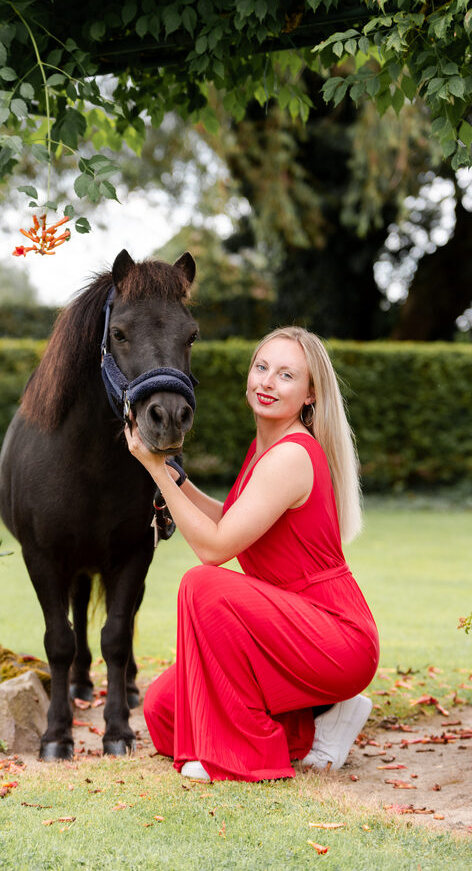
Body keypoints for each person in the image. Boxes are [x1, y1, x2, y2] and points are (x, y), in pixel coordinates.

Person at [124, 326, 379, 782]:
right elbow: (231, 522)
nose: (266, 382)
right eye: (261, 367)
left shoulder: (291, 455)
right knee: (164, 710)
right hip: (282, 623)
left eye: (285, 375)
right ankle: (319, 722)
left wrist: (155, 467)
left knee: (201, 585)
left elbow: (214, 548)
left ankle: (244, 754)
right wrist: (177, 479)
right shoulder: (265, 447)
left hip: (334, 634)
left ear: (309, 393)